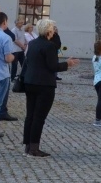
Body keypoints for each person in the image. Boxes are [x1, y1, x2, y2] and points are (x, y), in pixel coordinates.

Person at [21, 19, 79, 156]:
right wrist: (67, 64)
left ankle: (28, 145)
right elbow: (53, 66)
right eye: (52, 29)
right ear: (49, 31)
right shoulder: (49, 46)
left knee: (30, 115)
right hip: (44, 85)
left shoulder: (32, 43)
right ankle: (34, 148)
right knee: (39, 117)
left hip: (30, 82)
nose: (53, 32)